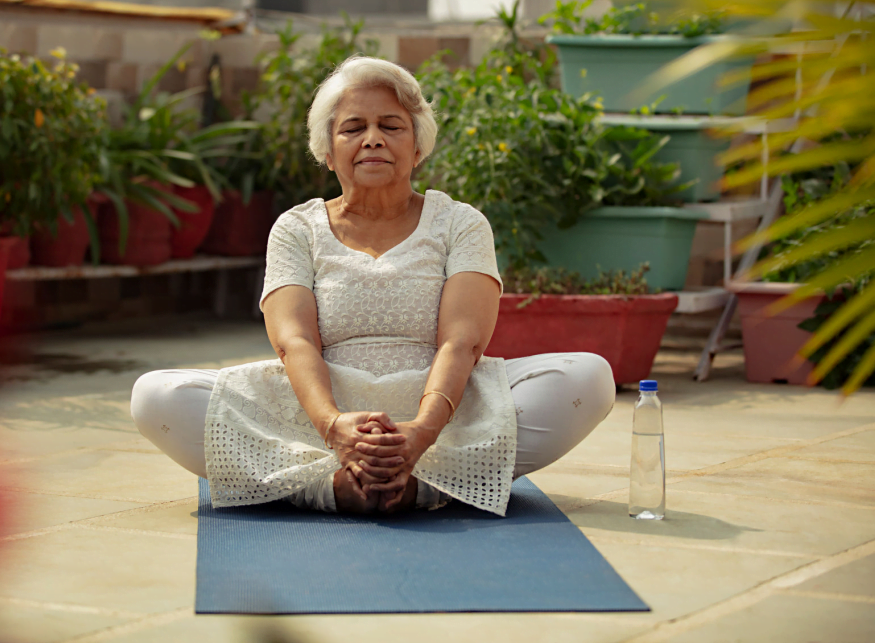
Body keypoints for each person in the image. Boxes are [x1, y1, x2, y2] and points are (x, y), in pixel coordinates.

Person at [130, 56, 615, 516]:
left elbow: (462, 341)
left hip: (444, 407)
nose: (373, 140)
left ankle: (408, 484)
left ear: (418, 145)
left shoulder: (460, 223)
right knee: (156, 395)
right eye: (354, 128)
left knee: (588, 377)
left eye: (391, 125)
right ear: (327, 150)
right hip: (320, 410)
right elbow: (293, 341)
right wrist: (333, 426)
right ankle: (341, 484)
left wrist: (422, 431)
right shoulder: (297, 228)